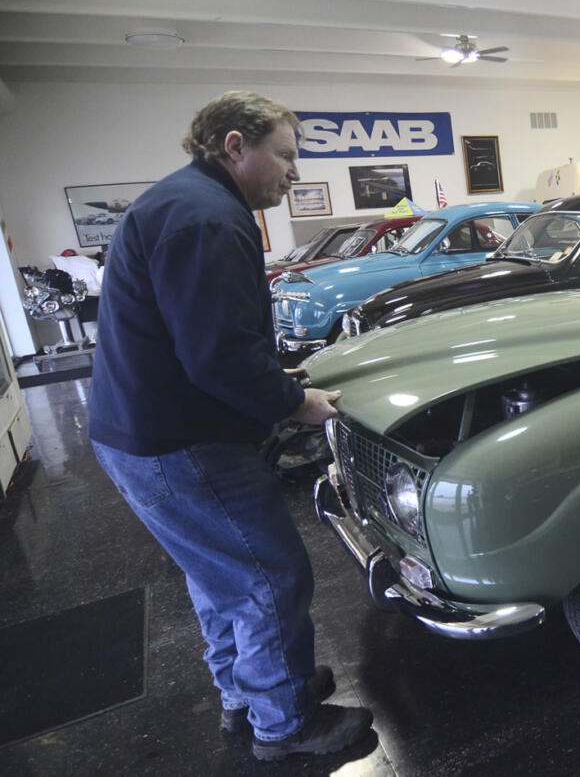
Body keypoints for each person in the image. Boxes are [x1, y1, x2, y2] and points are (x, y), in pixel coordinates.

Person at [88, 90, 373, 761]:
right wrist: (293, 403)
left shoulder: (184, 201)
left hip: (139, 432)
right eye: (285, 155)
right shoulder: (208, 219)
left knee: (220, 576)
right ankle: (286, 723)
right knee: (268, 577)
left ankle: (251, 695)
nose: (294, 172)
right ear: (235, 146)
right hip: (182, 444)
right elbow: (216, 354)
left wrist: (273, 378)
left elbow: (204, 337)